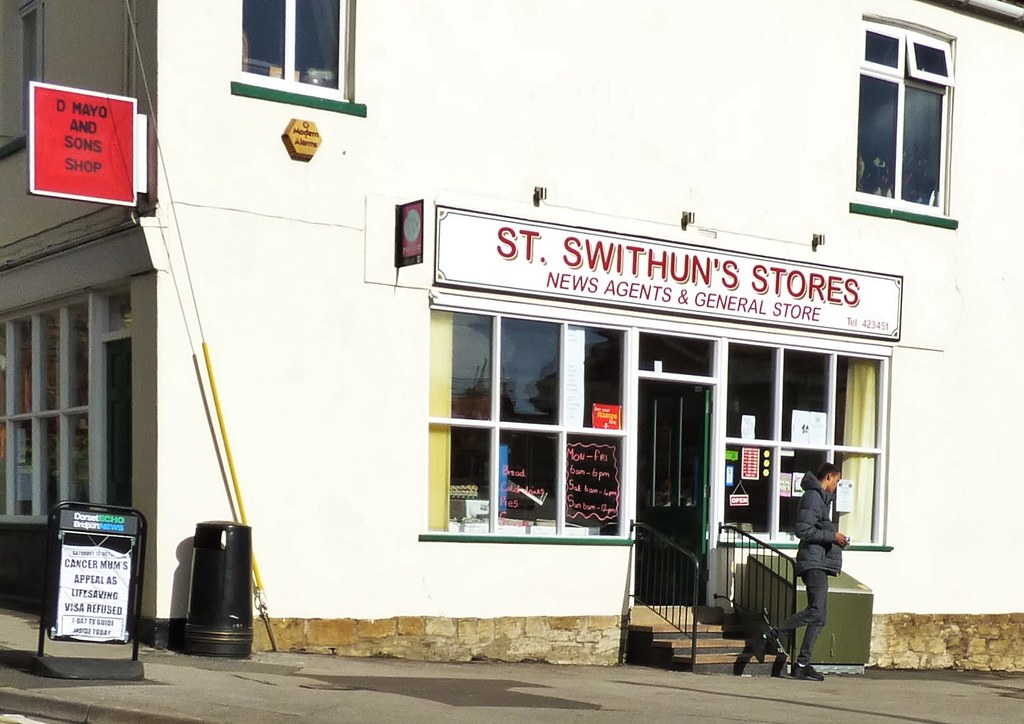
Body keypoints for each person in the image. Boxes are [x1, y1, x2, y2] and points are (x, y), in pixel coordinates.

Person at [760, 462, 849, 681]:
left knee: (820, 617)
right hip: (813, 563)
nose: (837, 486)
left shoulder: (822, 500)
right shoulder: (813, 497)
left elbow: (817, 528)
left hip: (820, 561)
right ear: (829, 477)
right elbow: (803, 530)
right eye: (837, 481)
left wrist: (836, 539)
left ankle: (801, 663)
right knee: (815, 611)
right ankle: (771, 633)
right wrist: (832, 536)